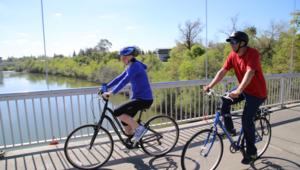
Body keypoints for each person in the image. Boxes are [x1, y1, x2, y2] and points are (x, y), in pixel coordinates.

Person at [203, 31, 267, 164]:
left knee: (246, 119)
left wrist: (238, 90)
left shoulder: (252, 53)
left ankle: (252, 153)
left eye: (233, 42)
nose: (231, 45)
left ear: (242, 43)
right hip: (244, 90)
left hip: (257, 93)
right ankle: (231, 130)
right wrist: (210, 85)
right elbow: (222, 72)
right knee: (225, 100)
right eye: (230, 42)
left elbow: (250, 72)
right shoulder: (233, 55)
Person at [102, 46, 153, 146]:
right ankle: (133, 142)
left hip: (144, 99)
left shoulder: (136, 66)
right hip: (137, 98)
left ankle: (140, 129)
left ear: (130, 56)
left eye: (124, 57)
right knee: (125, 121)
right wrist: (106, 86)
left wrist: (111, 93)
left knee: (117, 112)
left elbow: (125, 80)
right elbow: (119, 78)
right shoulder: (130, 66)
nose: (122, 59)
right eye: (121, 57)